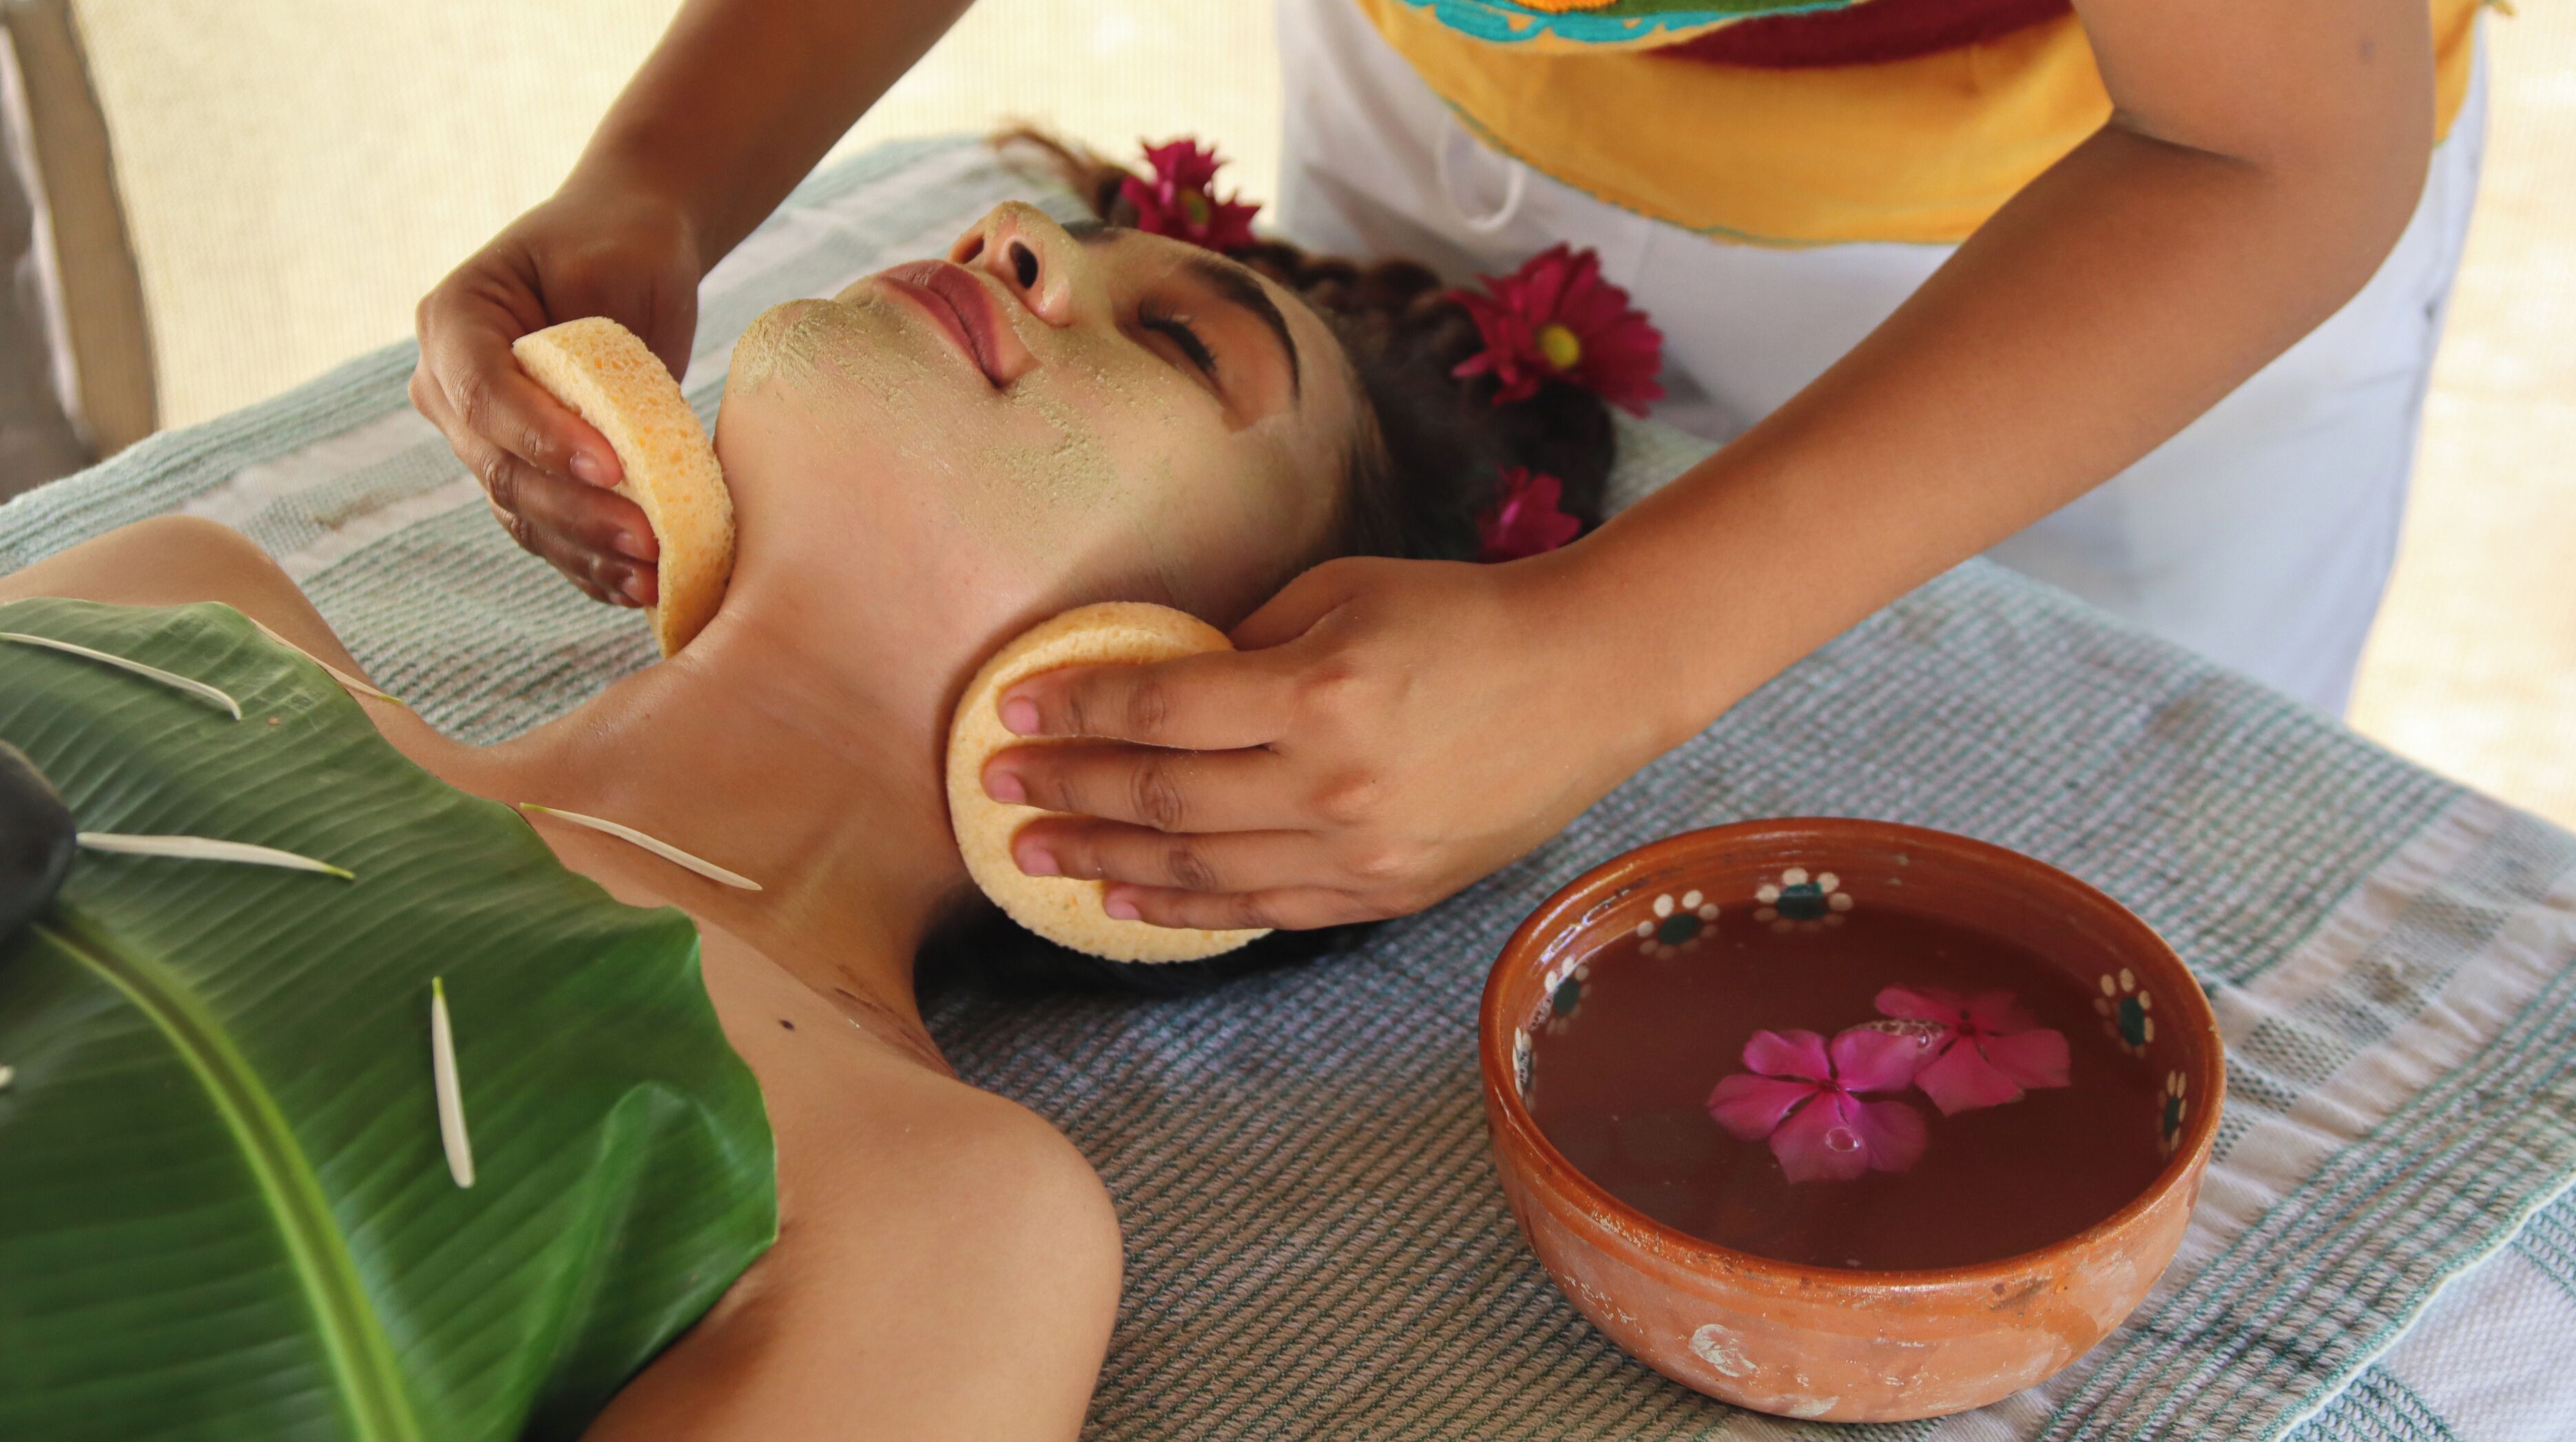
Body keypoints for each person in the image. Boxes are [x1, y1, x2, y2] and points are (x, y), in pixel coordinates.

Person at [409, 0, 2525, 936]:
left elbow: (2262, 148)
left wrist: (1622, 655)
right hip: (1446, 95)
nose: (1033, 261)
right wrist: (658, 177)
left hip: (2105, 190)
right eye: (1183, 323)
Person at [1, 185, 1617, 1439]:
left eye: (1185, 344)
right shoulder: (181, 596)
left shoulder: (944, 1220)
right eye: (1031, 229)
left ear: (1247, 703)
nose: (1015, 235)